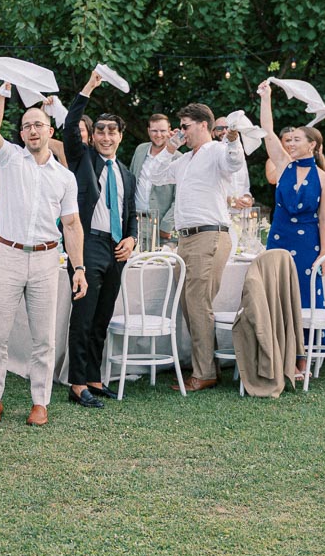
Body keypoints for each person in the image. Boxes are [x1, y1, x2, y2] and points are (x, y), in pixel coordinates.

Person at [0, 66, 85, 427]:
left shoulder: (65, 178)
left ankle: (40, 402)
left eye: (38, 124)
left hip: (48, 259)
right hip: (8, 255)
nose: (32, 130)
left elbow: (72, 225)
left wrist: (78, 268)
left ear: (50, 131)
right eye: (26, 126)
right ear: (21, 133)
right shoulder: (7, 158)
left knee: (43, 337)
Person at [140, 103, 245, 391]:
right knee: (189, 304)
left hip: (210, 234)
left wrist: (233, 140)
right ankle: (207, 366)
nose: (181, 131)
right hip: (184, 238)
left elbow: (234, 163)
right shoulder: (184, 160)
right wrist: (170, 148)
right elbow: (155, 177)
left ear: (203, 125)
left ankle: (204, 371)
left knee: (198, 303)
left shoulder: (217, 152)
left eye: (185, 126)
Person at [62, 70, 137, 409]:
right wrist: (89, 87)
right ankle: (77, 384)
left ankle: (94, 378)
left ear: (121, 136)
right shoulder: (82, 160)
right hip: (88, 243)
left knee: (102, 317)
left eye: (112, 131)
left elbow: (130, 212)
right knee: (84, 316)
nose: (106, 137)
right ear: (92, 136)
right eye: (101, 131)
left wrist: (133, 238)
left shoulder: (125, 174)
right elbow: (69, 125)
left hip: (116, 249)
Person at [258, 82, 325, 312]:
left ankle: (305, 345)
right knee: (275, 293)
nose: (290, 143)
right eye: (289, 140)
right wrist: (266, 98)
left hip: (307, 243)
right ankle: (278, 345)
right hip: (279, 238)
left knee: (305, 292)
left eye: (296, 139)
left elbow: (324, 219)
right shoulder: (283, 165)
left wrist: (324, 253)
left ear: (312, 144)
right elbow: (268, 132)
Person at [131, 114, 178, 243]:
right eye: (154, 131)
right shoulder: (140, 150)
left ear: (169, 131)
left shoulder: (178, 157)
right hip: (136, 222)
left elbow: (179, 198)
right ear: (148, 131)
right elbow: (131, 184)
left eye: (163, 131)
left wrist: (166, 226)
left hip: (161, 227)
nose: (158, 135)